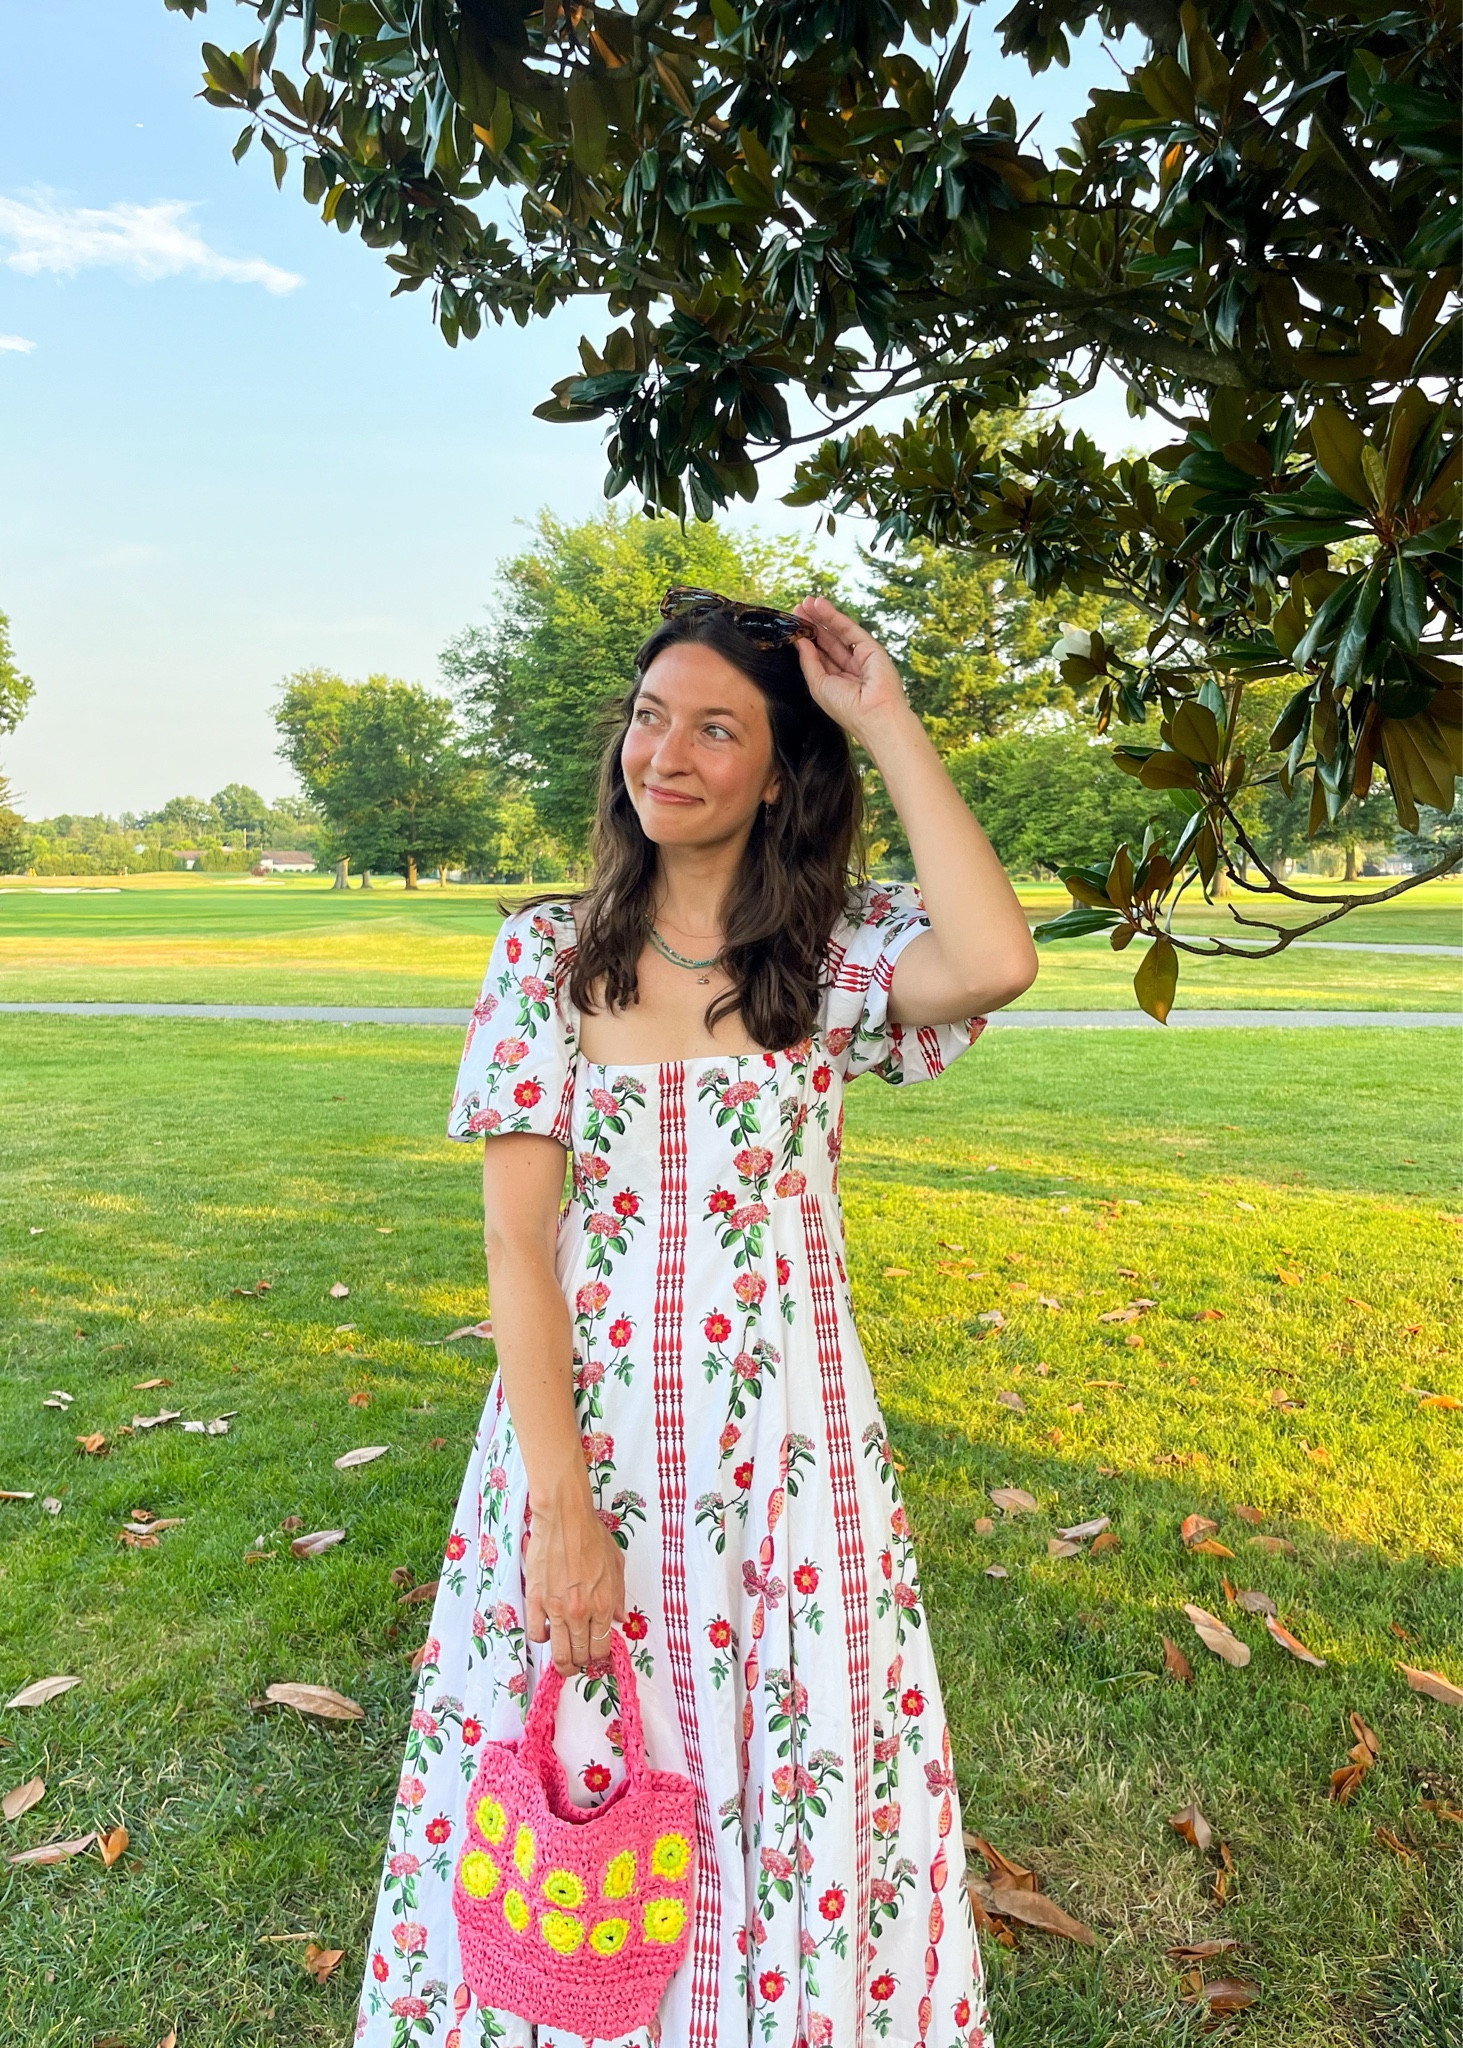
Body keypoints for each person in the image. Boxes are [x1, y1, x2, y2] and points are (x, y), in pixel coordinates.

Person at [355, 589, 1038, 2048]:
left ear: (779, 773)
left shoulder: (831, 960)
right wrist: (563, 1512)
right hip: (585, 1455)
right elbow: (515, 1245)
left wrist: (884, 715)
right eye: (650, 717)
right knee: (579, 1781)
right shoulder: (548, 955)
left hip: (787, 1467)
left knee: (783, 1773)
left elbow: (994, 961)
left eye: (716, 728)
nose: (664, 754)